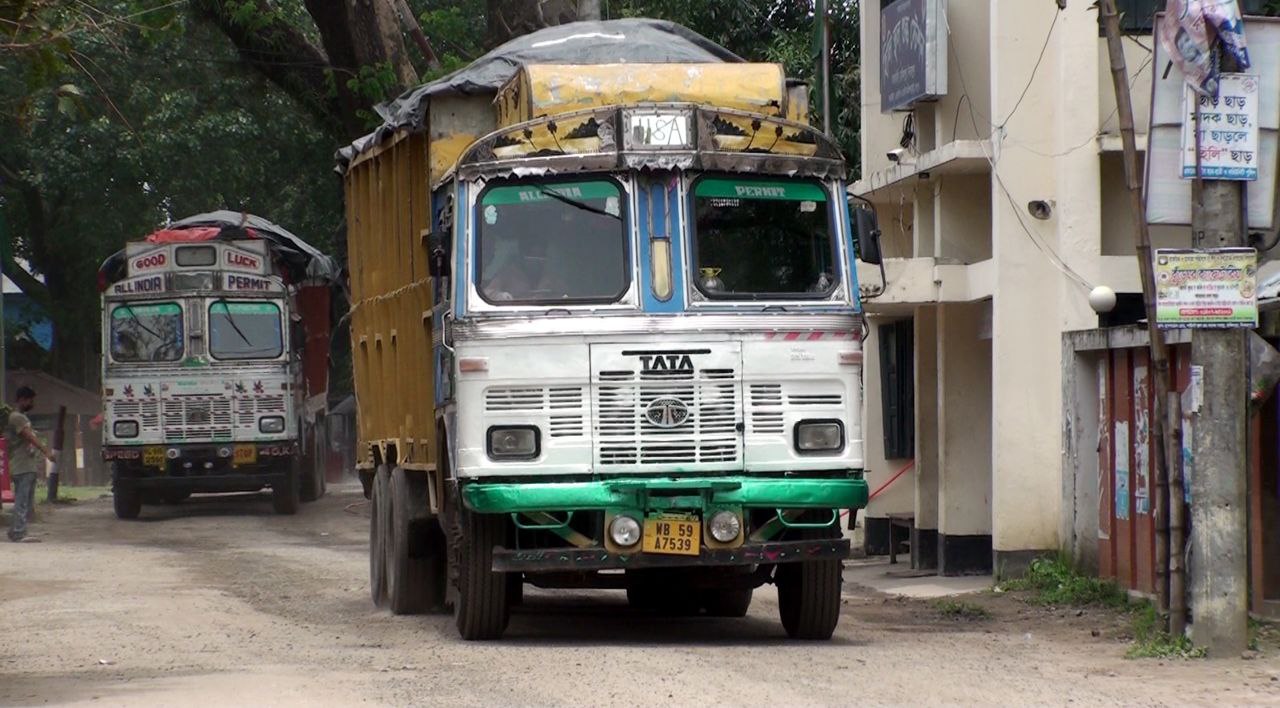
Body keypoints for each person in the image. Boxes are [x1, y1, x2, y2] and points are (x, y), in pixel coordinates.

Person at [6, 386, 56, 543]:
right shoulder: (17, 418)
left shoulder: (20, 417)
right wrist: (46, 451)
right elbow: (29, 437)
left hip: (26, 464)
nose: (32, 403)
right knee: (22, 500)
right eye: (30, 400)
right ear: (22, 399)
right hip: (22, 465)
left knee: (25, 501)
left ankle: (15, 530)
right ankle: (19, 532)